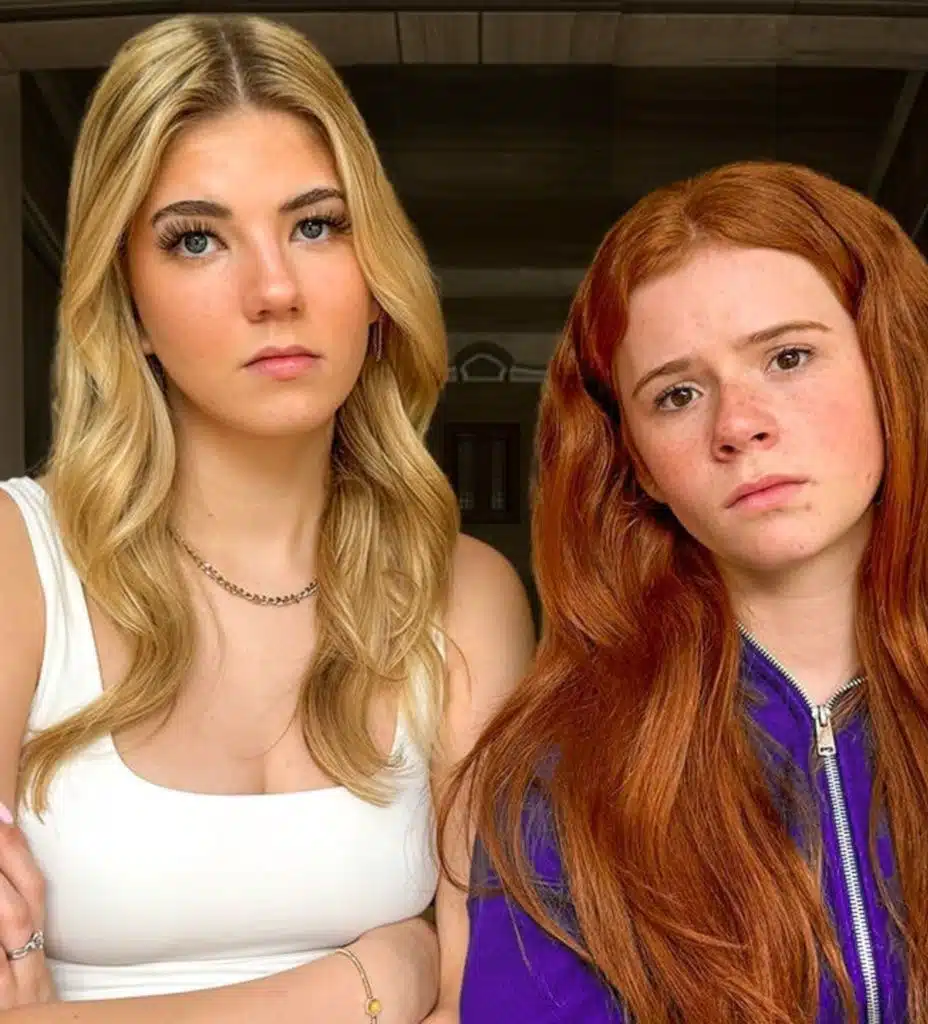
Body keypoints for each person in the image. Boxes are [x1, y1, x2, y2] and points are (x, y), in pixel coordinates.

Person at [0, 13, 534, 1022]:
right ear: (128, 304)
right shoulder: (16, 565)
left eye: (316, 225)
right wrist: (373, 979)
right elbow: (428, 981)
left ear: (376, 279)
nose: (275, 289)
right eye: (197, 239)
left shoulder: (465, 594)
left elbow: (488, 1000)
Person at [446, 160, 928, 1023]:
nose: (739, 424)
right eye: (677, 394)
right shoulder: (560, 776)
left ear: (891, 370)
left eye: (788, 357)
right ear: (639, 463)